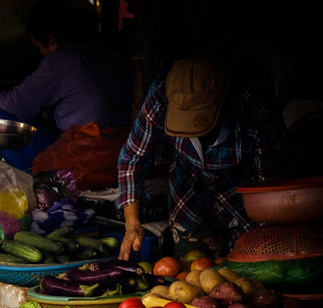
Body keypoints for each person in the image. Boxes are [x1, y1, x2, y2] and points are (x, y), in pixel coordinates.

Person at [116, 55, 287, 261]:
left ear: (225, 101)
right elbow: (132, 159)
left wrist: (265, 237)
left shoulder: (256, 109)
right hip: (189, 198)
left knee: (248, 276)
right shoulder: (162, 95)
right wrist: (133, 224)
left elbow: (270, 186)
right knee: (191, 277)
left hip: (247, 205)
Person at [0, 0, 130, 171]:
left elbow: (19, 105)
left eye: (39, 48)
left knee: (0, 117)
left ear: (51, 41)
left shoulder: (61, 61)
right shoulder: (109, 56)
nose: (41, 55)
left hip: (84, 154)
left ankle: (40, 182)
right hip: (119, 148)